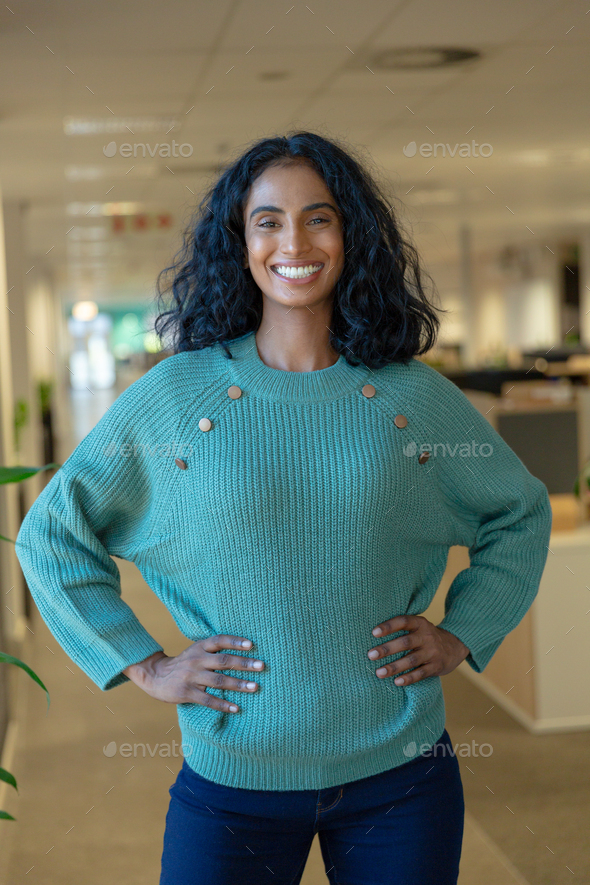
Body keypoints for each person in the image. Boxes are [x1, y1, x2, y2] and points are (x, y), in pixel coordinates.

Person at [15, 130, 552, 885]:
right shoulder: (177, 398)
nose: (292, 240)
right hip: (233, 779)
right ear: (239, 242)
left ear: (350, 235)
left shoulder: (409, 397)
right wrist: (144, 665)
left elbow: (519, 514)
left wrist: (463, 632)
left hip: (400, 776)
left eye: (318, 217)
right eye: (267, 220)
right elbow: (53, 534)